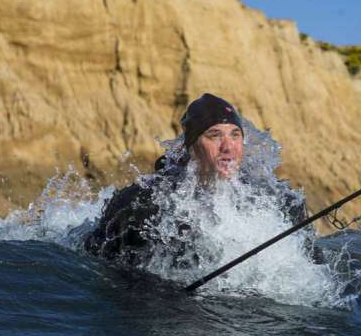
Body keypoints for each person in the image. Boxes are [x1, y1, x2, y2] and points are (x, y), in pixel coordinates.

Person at [84, 93, 313, 271]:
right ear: (192, 147)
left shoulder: (273, 203)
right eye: (214, 135)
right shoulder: (144, 202)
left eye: (235, 134)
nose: (228, 146)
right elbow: (96, 261)